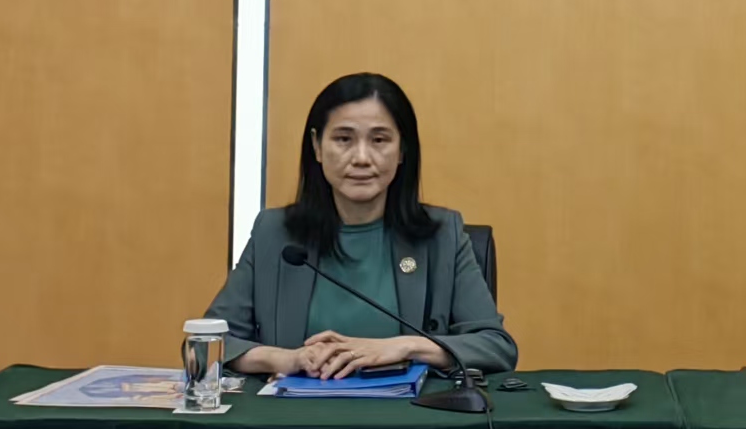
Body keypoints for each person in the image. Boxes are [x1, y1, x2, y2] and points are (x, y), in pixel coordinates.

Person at [206, 72, 517, 378]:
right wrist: (288, 359)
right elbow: (209, 344)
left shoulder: (443, 235)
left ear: (402, 150)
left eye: (379, 140)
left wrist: (406, 347)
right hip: (297, 409)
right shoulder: (274, 233)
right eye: (344, 139)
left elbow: (496, 347)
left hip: (409, 410)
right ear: (317, 146)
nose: (362, 158)